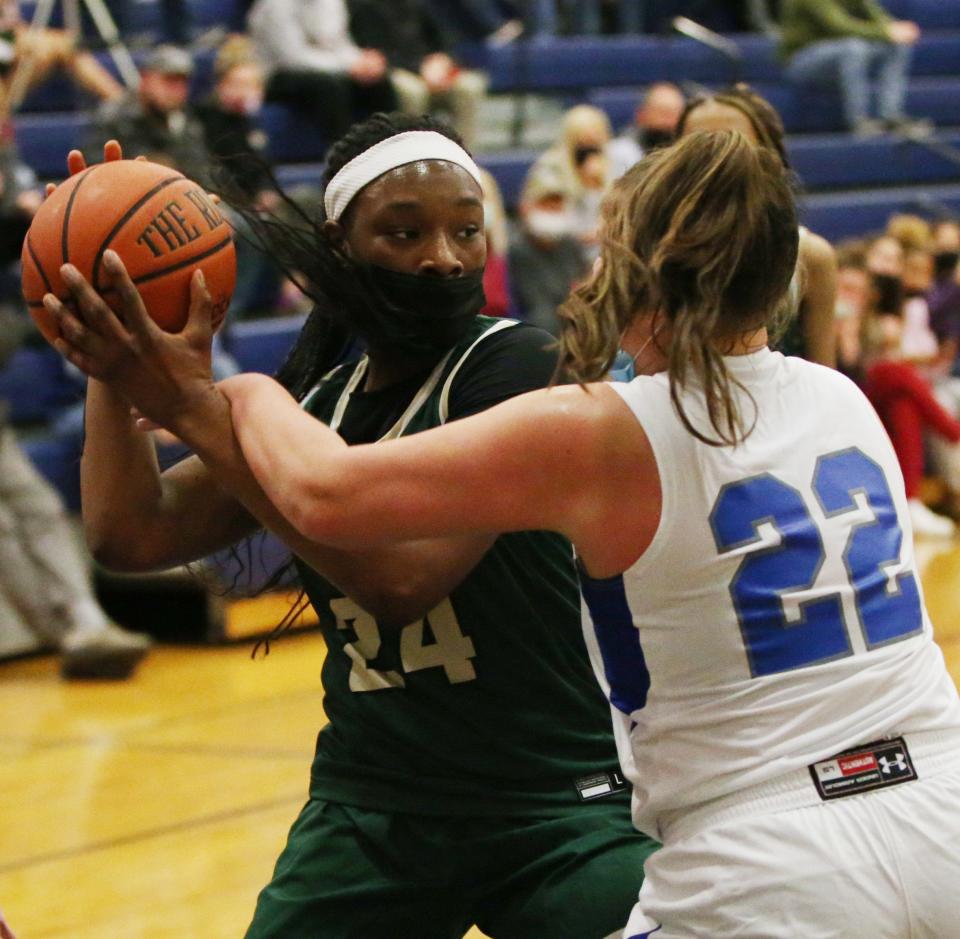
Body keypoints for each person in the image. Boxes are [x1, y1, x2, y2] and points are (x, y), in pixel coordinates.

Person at [200, 130, 960, 938]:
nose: (589, 275)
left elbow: (325, 495)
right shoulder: (841, 399)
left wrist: (241, 394)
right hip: (941, 807)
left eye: (606, 253)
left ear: (640, 277)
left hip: (770, 861)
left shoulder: (602, 430)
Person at [44, 114, 656, 938]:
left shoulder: (521, 366)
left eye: (466, 230)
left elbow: (401, 577)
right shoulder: (317, 406)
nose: (443, 255)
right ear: (341, 247)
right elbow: (130, 534)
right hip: (374, 807)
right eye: (405, 232)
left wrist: (197, 410)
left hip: (553, 803)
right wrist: (115, 358)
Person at [677, 84, 838, 368]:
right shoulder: (658, 251)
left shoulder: (810, 256)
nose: (718, 162)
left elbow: (824, 373)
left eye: (735, 144)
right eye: (700, 146)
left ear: (770, 157)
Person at [246, 0, 397, 144]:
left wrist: (361, 62)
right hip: (276, 75)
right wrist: (348, 66)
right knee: (331, 86)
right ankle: (342, 154)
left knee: (379, 81)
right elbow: (293, 57)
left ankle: (389, 146)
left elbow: (339, 43)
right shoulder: (275, 5)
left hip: (328, 68)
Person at [347, 0, 488, 150]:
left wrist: (442, 60)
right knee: (412, 90)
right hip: (391, 70)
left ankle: (464, 157)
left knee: (470, 85)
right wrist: (421, 69)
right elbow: (373, 52)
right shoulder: (364, 6)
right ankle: (413, 156)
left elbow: (445, 40)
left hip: (429, 70)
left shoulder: (421, 5)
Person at [779, 0, 928, 137]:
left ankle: (891, 116)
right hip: (801, 61)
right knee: (854, 48)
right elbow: (839, 26)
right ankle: (859, 120)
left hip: (840, 53)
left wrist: (896, 29)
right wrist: (887, 32)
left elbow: (877, 16)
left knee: (897, 46)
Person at [84, 45, 210, 182]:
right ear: (146, 79)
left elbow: (200, 169)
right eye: (169, 81)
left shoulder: (184, 118)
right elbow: (96, 173)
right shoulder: (114, 117)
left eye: (182, 83)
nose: (177, 91)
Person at [607, 82, 685, 179]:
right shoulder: (622, 152)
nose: (669, 122)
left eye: (675, 114)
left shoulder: (689, 152)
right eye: (663, 113)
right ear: (641, 115)